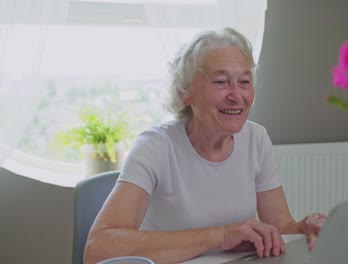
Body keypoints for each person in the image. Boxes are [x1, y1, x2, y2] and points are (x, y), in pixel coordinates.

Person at [84, 27, 326, 264]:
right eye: (221, 82)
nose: (236, 95)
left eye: (244, 82)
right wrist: (219, 236)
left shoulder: (256, 139)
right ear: (184, 93)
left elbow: (280, 227)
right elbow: (98, 249)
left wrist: (305, 226)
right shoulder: (156, 147)